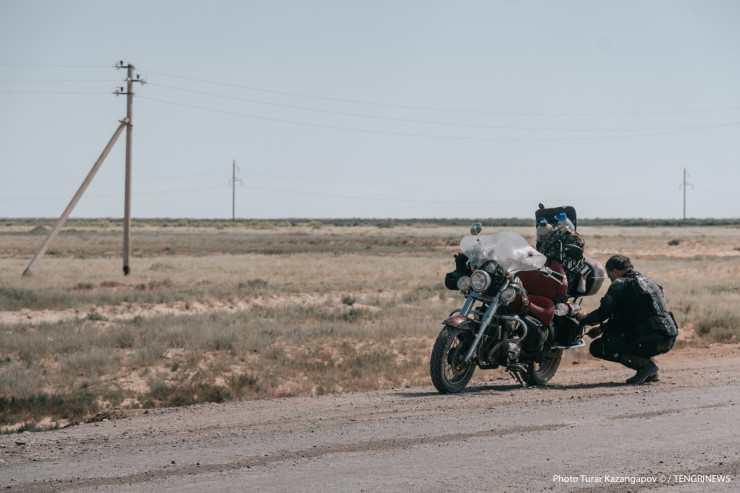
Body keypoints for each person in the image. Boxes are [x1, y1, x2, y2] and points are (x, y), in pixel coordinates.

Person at [578, 255, 678, 384]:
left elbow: (602, 314)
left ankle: (645, 367)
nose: (611, 280)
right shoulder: (648, 281)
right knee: (634, 335)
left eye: (610, 276)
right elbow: (631, 317)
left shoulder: (620, 284)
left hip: (650, 339)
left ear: (615, 272)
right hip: (667, 338)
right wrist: (602, 328)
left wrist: (582, 319)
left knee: (599, 347)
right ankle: (652, 372)